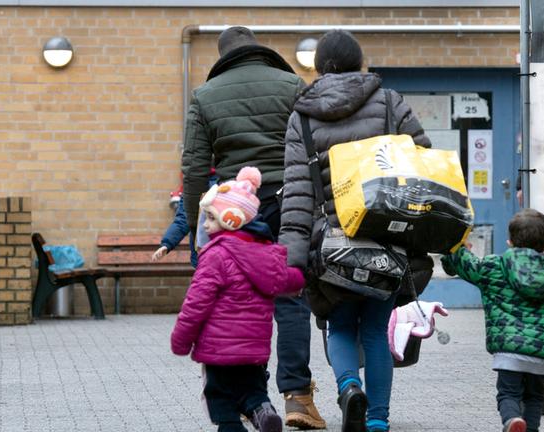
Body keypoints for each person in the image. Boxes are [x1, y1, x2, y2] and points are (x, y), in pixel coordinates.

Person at [278, 30, 431, 432]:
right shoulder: (389, 102)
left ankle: (349, 388)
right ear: (359, 61)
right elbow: (423, 163)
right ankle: (378, 420)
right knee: (377, 331)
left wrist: (291, 260)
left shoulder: (302, 116)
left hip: (329, 244)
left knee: (340, 325)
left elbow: (297, 192)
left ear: (320, 66)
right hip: (387, 239)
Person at [180, 27, 326, 429]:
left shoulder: (204, 96)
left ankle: (252, 395)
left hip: (234, 208)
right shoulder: (292, 84)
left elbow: (193, 167)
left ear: (222, 56)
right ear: (259, 50)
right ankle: (297, 397)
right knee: (291, 297)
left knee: (238, 299)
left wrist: (199, 224)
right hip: (290, 200)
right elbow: (315, 149)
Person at [441, 208, 544, 432]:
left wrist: (459, 249)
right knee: (534, 399)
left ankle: (512, 420)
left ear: (509, 242)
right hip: (541, 355)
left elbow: (463, 264)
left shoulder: (493, 267)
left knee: (508, 394)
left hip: (508, 353)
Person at [171, 167, 305, 432]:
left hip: (218, 350)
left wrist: (181, 339)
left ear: (230, 219)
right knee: (253, 391)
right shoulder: (266, 253)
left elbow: (197, 302)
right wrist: (300, 278)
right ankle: (263, 412)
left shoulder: (215, 255)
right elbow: (287, 279)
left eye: (210, 218)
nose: (206, 225)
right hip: (254, 350)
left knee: (221, 401)